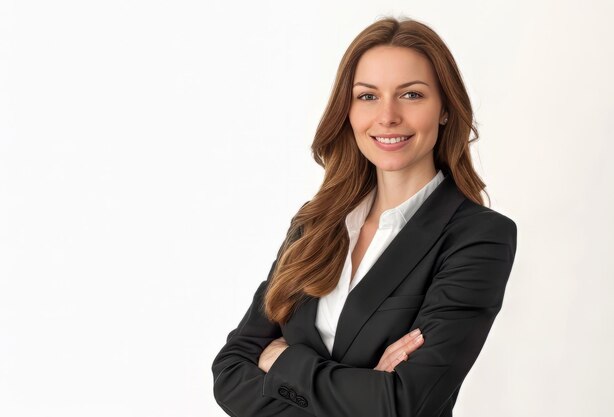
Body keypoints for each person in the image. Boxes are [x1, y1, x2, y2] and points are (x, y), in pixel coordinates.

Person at [212, 15, 517, 417]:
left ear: (445, 109)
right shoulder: (314, 224)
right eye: (368, 96)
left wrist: (280, 362)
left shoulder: (479, 238)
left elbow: (403, 403)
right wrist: (364, 389)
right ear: (349, 110)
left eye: (411, 95)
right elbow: (230, 373)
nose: (387, 116)